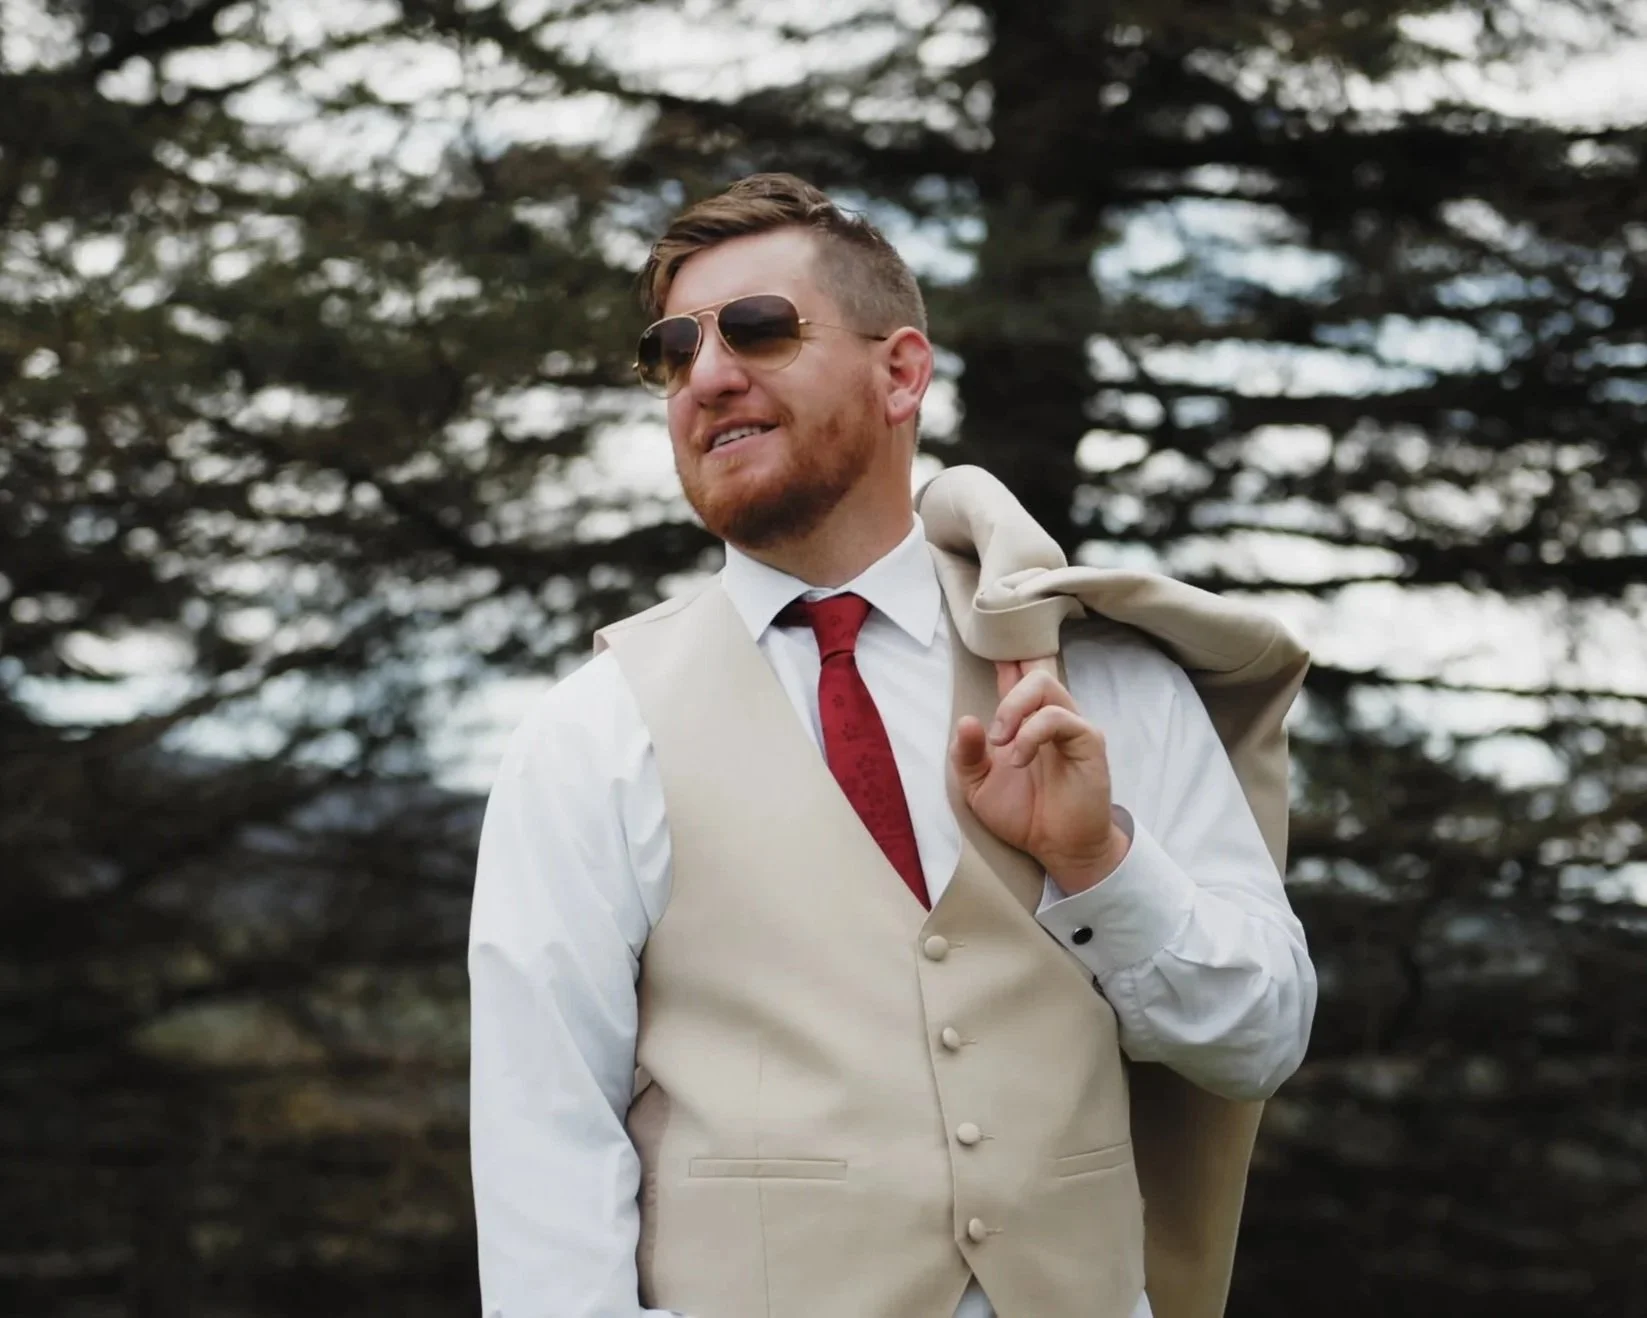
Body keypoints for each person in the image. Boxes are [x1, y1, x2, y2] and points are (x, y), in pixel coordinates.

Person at [468, 172, 1317, 1318]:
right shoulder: (593, 732)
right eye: (675, 351)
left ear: (902, 371)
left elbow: (1257, 1039)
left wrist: (1101, 864)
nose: (709, 375)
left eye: (759, 330)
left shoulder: (1104, 680)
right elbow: (543, 1136)